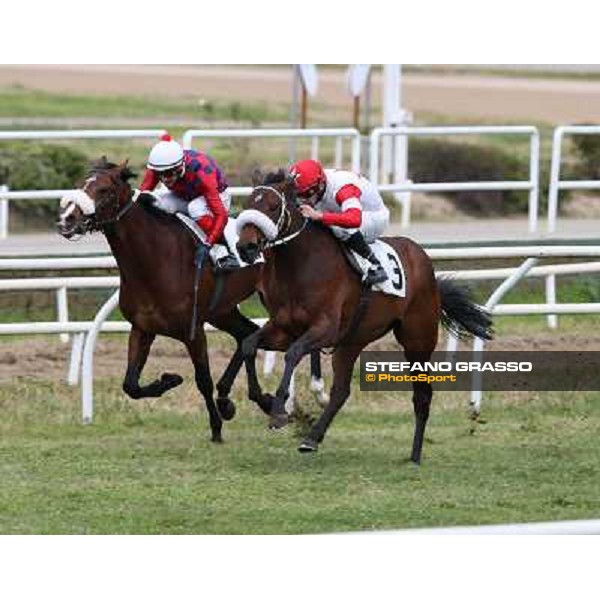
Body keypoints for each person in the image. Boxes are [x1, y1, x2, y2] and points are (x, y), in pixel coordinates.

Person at [140, 134, 239, 272]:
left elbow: (221, 215)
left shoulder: (202, 172)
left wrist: (208, 244)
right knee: (155, 200)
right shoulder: (161, 166)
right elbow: (141, 195)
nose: (164, 179)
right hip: (186, 196)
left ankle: (225, 252)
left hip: (218, 196)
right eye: (159, 174)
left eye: (168, 173)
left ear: (180, 167)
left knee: (195, 208)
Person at [288, 159, 389, 286]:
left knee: (338, 227)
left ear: (320, 185)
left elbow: (354, 219)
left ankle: (375, 264)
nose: (301, 198)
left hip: (372, 216)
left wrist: (319, 216)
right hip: (342, 209)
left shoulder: (343, 189)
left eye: (304, 194)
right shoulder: (317, 182)